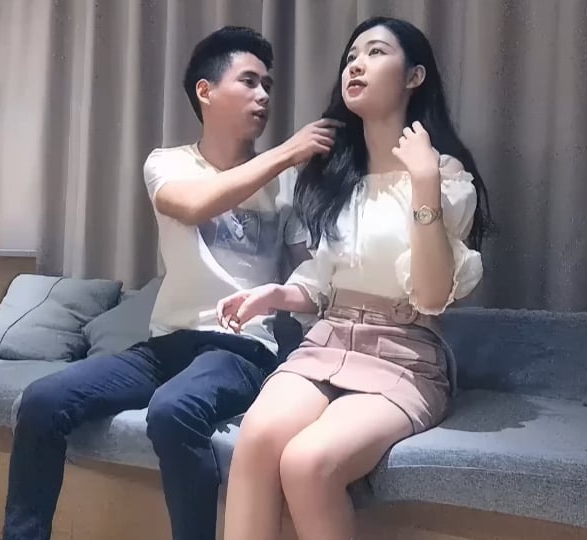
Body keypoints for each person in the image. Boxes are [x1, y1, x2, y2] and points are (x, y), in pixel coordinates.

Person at [1, 26, 341, 540]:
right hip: (165, 345)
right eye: (249, 81)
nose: (264, 96)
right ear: (206, 91)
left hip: (243, 349)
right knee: (42, 400)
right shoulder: (168, 163)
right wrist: (287, 153)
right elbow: (192, 205)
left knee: (174, 410)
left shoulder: (288, 185)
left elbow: (306, 276)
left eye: (268, 85)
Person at [217, 16, 491, 540]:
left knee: (308, 463)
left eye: (376, 52)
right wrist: (276, 295)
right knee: (256, 440)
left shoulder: (445, 175)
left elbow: (433, 295)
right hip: (327, 340)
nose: (356, 65)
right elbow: (324, 279)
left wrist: (424, 182)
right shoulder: (335, 178)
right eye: (350, 57)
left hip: (403, 353)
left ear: (414, 77)